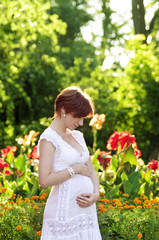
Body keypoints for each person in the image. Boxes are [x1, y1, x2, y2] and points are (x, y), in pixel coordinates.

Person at [38, 86, 102, 240]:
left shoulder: (78, 136)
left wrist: (96, 194)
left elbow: (92, 171)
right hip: (64, 215)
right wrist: (75, 169)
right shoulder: (49, 139)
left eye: (83, 118)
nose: (81, 123)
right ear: (64, 109)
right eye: (78, 117)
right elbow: (44, 180)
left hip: (86, 214)